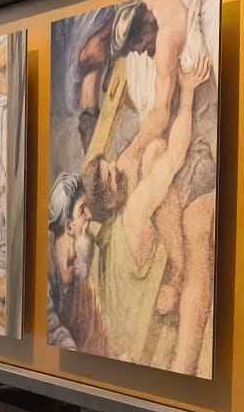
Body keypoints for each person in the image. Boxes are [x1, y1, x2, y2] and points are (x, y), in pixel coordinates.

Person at [85, 49, 211, 369]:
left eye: (111, 166)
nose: (118, 166)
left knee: (154, 149)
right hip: (155, 350)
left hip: (132, 346)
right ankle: (180, 277)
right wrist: (187, 94)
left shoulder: (106, 232)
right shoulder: (135, 211)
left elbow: (153, 129)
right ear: (110, 199)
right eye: (113, 174)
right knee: (162, 157)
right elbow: (176, 154)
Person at [44, 171, 107, 355]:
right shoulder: (44, 270)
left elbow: (95, 336)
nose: (90, 215)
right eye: (82, 210)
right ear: (69, 227)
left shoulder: (79, 272)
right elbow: (51, 330)